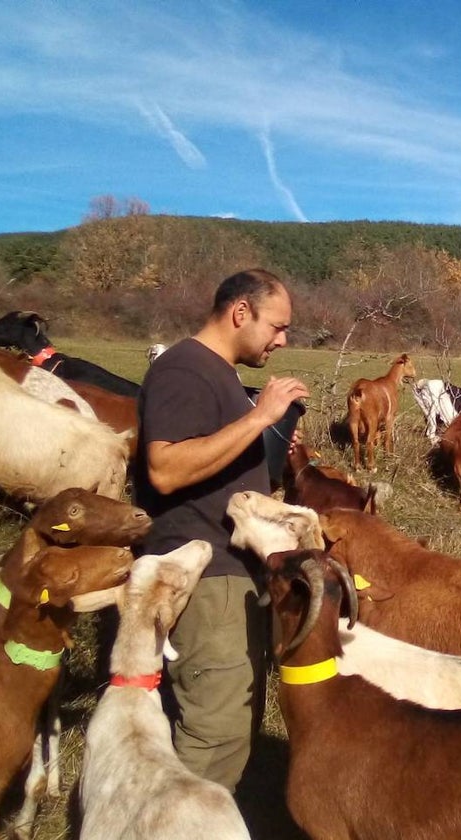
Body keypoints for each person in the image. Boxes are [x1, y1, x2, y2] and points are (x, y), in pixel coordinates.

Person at [132, 268, 309, 791]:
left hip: (231, 571)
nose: (282, 339)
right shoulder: (184, 369)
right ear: (240, 313)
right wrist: (260, 418)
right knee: (215, 734)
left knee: (228, 725)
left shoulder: (219, 373)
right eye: (277, 326)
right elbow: (164, 469)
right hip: (208, 573)